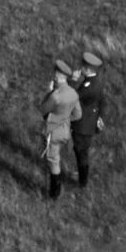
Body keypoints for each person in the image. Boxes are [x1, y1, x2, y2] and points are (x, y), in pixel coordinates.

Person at [39, 59, 83, 200]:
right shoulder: (73, 93)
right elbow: (78, 114)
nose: (54, 77)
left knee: (53, 160)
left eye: (55, 75)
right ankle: (55, 189)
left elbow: (43, 109)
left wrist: (48, 92)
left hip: (53, 131)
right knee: (56, 156)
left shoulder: (56, 96)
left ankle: (54, 193)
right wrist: (65, 119)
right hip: (65, 131)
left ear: (58, 77)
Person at [71, 52, 108, 189]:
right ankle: (82, 177)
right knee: (82, 151)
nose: (81, 68)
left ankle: (82, 180)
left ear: (87, 69)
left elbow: (72, 96)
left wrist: (73, 80)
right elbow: (103, 101)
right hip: (90, 123)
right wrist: (101, 117)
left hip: (81, 126)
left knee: (80, 151)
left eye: (83, 66)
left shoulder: (88, 86)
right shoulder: (97, 82)